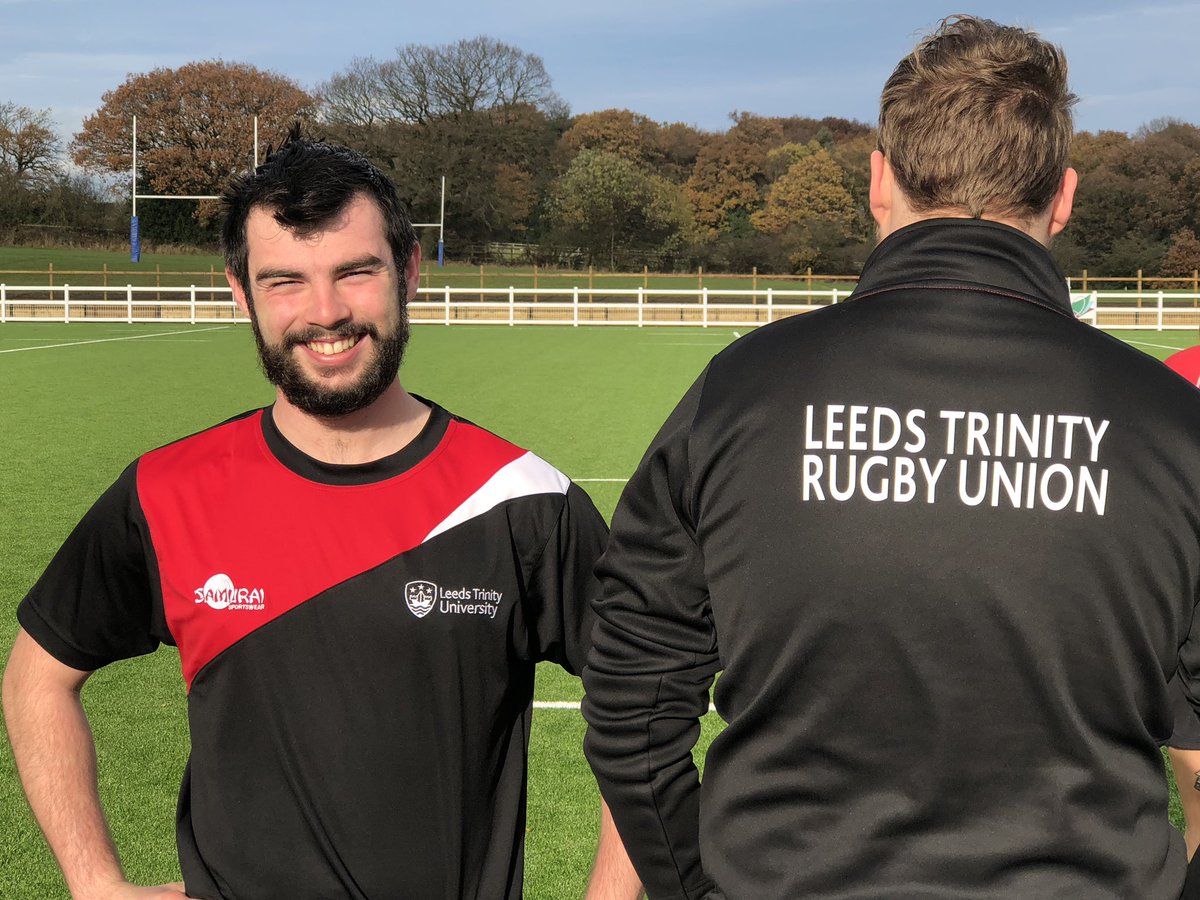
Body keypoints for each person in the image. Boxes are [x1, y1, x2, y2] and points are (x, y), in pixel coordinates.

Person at [582, 15, 1200, 899]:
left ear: (878, 182)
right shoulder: (1174, 426)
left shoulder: (742, 394)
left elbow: (631, 706)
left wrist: (694, 885)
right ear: (1063, 197)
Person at [2, 134, 641, 900]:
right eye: (286, 282)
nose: (325, 313)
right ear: (241, 293)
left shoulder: (523, 500)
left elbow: (645, 707)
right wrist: (95, 883)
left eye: (355, 272)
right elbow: (37, 678)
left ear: (408, 271)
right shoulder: (165, 490)